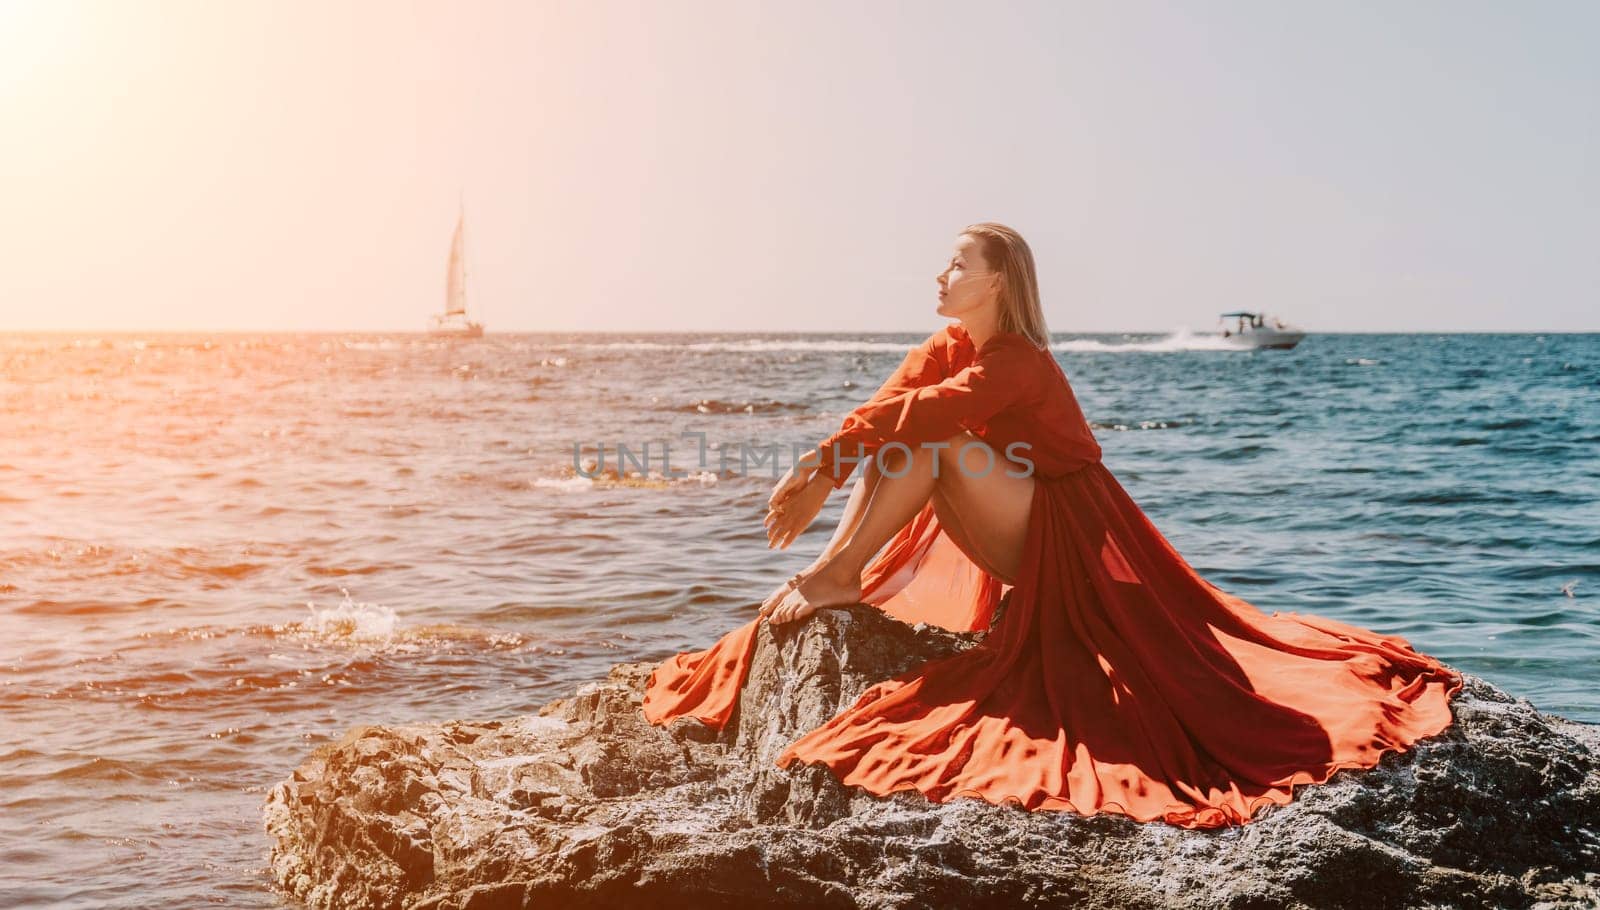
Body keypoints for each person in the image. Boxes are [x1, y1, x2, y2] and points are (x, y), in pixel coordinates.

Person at [641, 222, 1462, 828]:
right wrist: (824, 459)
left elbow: (928, 416)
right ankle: (836, 570)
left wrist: (821, 468)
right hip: (1013, 523)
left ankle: (837, 574)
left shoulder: (1019, 363)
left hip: (1063, 537)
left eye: (958, 262)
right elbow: (888, 408)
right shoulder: (946, 346)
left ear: (997, 281)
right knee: (910, 435)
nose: (941, 272)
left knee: (936, 439)